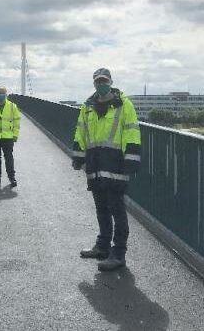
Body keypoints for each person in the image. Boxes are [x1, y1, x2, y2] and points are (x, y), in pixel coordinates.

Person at [72, 68, 141, 271]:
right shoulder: (87, 107)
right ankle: (102, 247)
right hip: (95, 165)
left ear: (110, 82)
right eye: (97, 81)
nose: (101, 84)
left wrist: (131, 160)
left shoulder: (124, 105)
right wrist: (78, 156)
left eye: (104, 81)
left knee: (117, 210)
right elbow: (80, 133)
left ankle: (118, 254)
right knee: (101, 208)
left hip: (115, 165)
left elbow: (132, 133)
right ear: (94, 83)